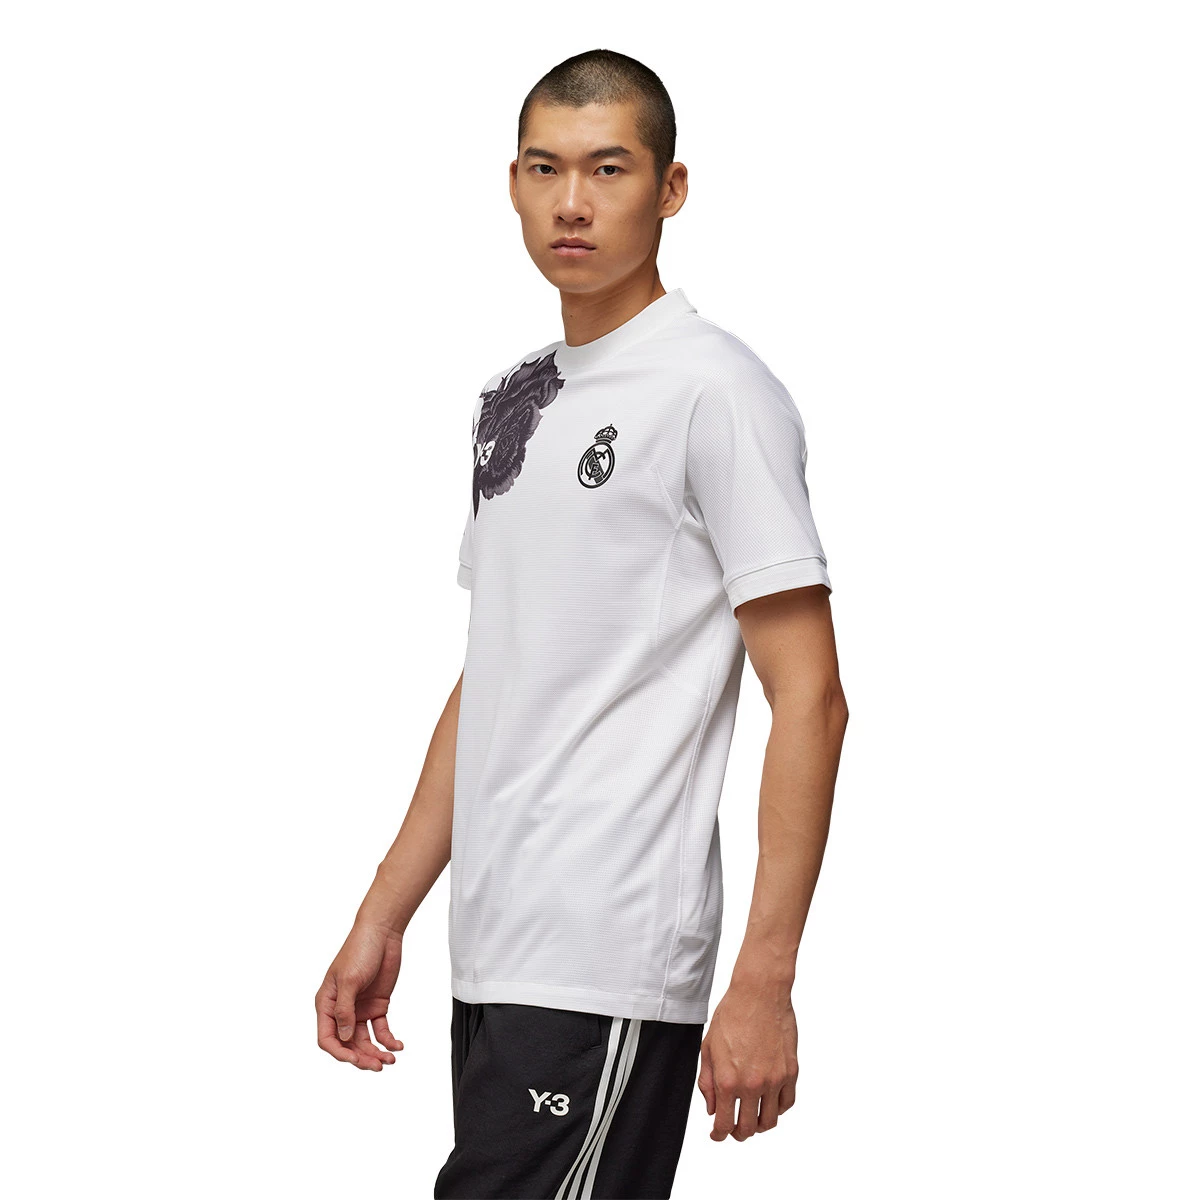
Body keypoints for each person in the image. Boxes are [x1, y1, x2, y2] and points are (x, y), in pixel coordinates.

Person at [316, 48, 849, 1199]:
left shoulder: (715, 391)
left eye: (609, 169)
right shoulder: (512, 400)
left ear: (670, 188)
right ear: (512, 183)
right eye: (544, 168)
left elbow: (810, 694)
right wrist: (384, 912)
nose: (572, 202)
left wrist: (765, 977)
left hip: (608, 947)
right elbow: (496, 673)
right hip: (496, 945)